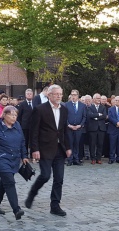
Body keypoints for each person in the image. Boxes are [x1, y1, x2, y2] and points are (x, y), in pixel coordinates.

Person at [25, 84, 71, 216]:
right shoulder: (40, 109)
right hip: (44, 148)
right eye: (56, 94)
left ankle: (55, 205)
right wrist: (34, 149)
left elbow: (63, 130)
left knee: (59, 178)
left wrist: (67, 147)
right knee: (45, 175)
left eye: (60, 94)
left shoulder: (64, 109)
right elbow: (33, 131)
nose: (59, 96)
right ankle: (32, 193)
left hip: (59, 149)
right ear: (49, 95)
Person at [65, 89, 86, 166]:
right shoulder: (66, 104)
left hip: (78, 128)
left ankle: (76, 159)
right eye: (72, 95)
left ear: (78, 96)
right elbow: (64, 117)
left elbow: (84, 117)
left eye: (74, 95)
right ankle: (70, 159)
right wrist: (68, 125)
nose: (73, 96)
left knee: (77, 143)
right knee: (70, 144)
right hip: (69, 128)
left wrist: (80, 125)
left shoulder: (82, 105)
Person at [87, 93, 107, 164]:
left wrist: (95, 117)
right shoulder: (90, 107)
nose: (99, 100)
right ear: (94, 99)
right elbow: (89, 115)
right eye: (98, 98)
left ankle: (99, 158)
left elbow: (104, 116)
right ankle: (93, 158)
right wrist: (98, 114)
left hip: (101, 128)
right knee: (92, 144)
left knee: (100, 144)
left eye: (100, 98)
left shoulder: (103, 107)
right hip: (92, 128)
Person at [17, 89, 34, 157]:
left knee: (33, 141)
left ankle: (33, 155)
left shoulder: (35, 103)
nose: (29, 95)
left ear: (32, 95)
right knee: (25, 141)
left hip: (33, 125)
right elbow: (19, 116)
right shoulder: (22, 104)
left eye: (30, 94)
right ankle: (25, 155)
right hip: (24, 126)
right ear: (25, 95)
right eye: (28, 94)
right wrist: (20, 125)